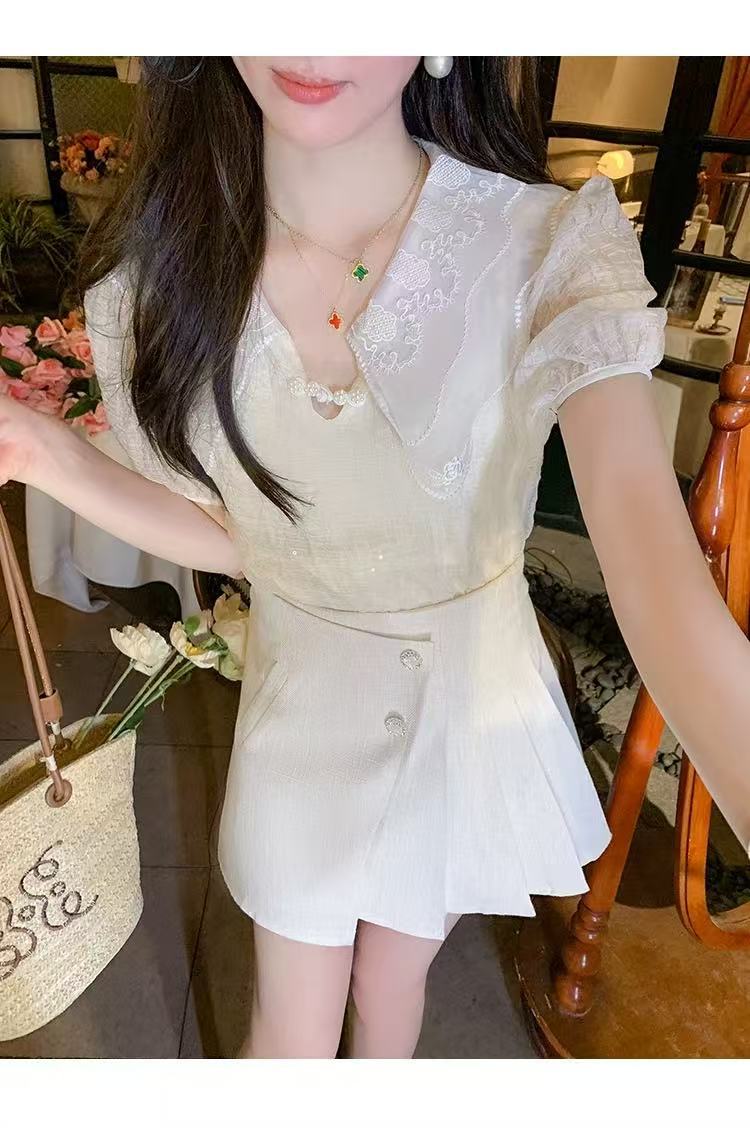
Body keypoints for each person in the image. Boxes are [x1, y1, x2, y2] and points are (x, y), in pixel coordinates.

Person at [2, 56, 750, 1060]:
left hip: (467, 709)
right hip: (303, 711)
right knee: (289, 1024)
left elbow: (659, 577)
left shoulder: (544, 246)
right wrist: (42, 454)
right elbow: (247, 538)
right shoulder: (164, 274)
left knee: (394, 981)